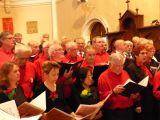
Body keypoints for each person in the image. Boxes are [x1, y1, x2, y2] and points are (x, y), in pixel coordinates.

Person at [98, 53, 135, 120]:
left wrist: (133, 94)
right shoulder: (103, 77)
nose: (120, 68)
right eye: (117, 66)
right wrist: (113, 92)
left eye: (122, 65)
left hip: (128, 110)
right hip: (114, 113)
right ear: (110, 64)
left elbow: (130, 88)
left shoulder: (125, 73)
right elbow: (102, 98)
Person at [125, 43, 154, 120]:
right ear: (136, 55)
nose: (145, 55)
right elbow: (133, 88)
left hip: (149, 98)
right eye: (142, 53)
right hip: (141, 101)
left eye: (146, 53)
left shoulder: (146, 64)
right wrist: (137, 105)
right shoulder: (131, 68)